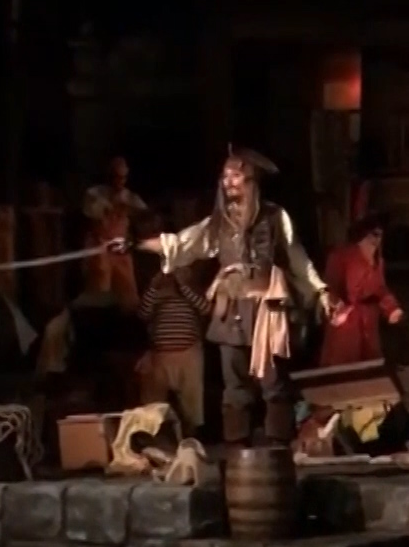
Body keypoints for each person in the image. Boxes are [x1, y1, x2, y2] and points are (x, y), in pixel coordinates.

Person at [110, 145, 338, 445]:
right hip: (232, 312)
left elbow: (298, 258)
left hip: (266, 310)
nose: (228, 181)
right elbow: (181, 244)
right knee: (235, 388)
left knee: (273, 386)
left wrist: (321, 290)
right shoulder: (219, 223)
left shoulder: (274, 217)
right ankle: (237, 450)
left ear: (252, 180)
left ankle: (277, 450)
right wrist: (135, 244)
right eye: (225, 176)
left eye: (235, 176)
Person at [317, 212, 403, 366]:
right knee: (345, 364)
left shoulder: (378, 261)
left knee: (370, 364)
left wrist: (391, 308)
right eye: (374, 234)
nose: (377, 239)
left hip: (369, 322)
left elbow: (380, 289)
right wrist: (336, 307)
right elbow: (331, 285)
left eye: (380, 235)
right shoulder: (341, 256)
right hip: (347, 322)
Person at [137, 270, 209, 436]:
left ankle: (191, 437)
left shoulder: (191, 294)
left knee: (191, 402)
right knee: (153, 403)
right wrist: (154, 287)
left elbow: (205, 308)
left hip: (188, 355)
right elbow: (142, 313)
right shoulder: (156, 295)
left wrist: (183, 287)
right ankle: (154, 436)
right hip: (160, 356)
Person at [82, 156, 148, 305]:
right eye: (116, 177)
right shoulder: (94, 194)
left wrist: (131, 208)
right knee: (100, 290)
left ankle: (128, 314)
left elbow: (145, 213)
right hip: (100, 247)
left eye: (123, 177)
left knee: (128, 294)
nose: (119, 181)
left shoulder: (129, 196)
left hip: (121, 248)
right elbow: (91, 214)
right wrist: (111, 205)